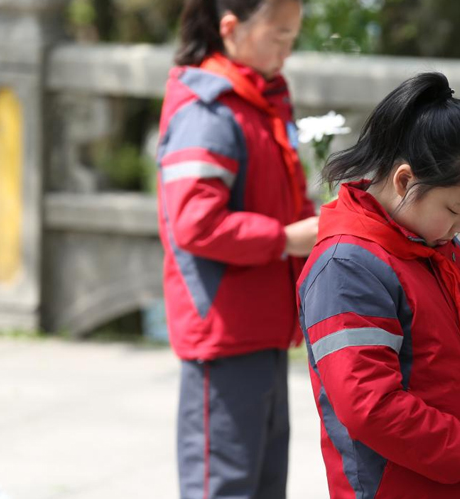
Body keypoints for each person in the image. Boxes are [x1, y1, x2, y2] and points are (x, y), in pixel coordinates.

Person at [296, 72, 460, 499]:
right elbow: (370, 406)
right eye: (455, 209)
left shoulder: (438, 245)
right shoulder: (347, 267)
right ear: (406, 181)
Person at [157, 0, 317, 497]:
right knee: (224, 486)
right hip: (225, 329)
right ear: (230, 28)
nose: (286, 52)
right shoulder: (211, 109)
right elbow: (195, 222)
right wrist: (288, 238)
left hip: (262, 323)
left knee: (264, 484)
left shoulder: (258, 101)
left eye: (293, 38)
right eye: (277, 37)